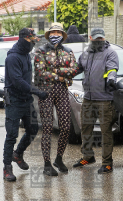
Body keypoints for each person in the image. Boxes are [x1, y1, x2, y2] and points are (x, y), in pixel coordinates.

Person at [3, 28, 48, 182]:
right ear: (22, 39)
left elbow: (29, 78)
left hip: (26, 100)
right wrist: (36, 91)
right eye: (30, 40)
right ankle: (7, 168)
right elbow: (17, 81)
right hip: (14, 102)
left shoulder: (26, 55)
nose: (33, 43)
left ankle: (18, 154)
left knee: (33, 129)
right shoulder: (13, 57)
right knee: (11, 135)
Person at [34, 22, 78, 176]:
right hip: (45, 90)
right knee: (46, 128)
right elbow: (40, 72)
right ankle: (47, 163)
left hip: (62, 90)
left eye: (58, 33)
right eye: (53, 32)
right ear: (49, 34)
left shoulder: (68, 51)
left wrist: (54, 70)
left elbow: (74, 69)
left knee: (66, 127)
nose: (56, 35)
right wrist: (60, 75)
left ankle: (58, 158)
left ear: (62, 35)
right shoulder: (41, 51)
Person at [72, 28, 119, 174]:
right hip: (88, 98)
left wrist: (111, 79)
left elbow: (112, 69)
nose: (99, 41)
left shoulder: (110, 52)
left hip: (104, 99)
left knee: (106, 132)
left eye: (101, 39)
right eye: (96, 39)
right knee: (85, 127)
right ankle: (87, 156)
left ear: (104, 39)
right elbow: (77, 68)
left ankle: (107, 163)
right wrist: (66, 74)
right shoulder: (86, 53)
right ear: (91, 38)